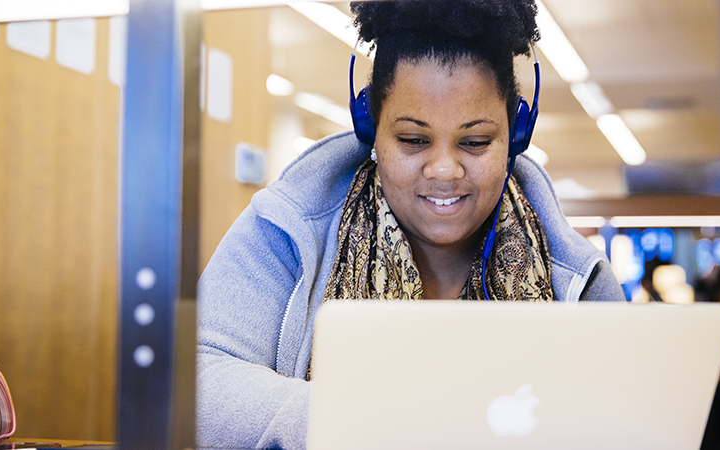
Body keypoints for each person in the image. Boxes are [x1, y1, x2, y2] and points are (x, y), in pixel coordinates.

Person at [196, 1, 626, 449]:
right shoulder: (286, 229)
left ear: (516, 135)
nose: (444, 169)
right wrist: (361, 422)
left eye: (475, 142)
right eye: (413, 140)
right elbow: (199, 378)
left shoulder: (579, 278)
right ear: (370, 128)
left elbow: (632, 415)